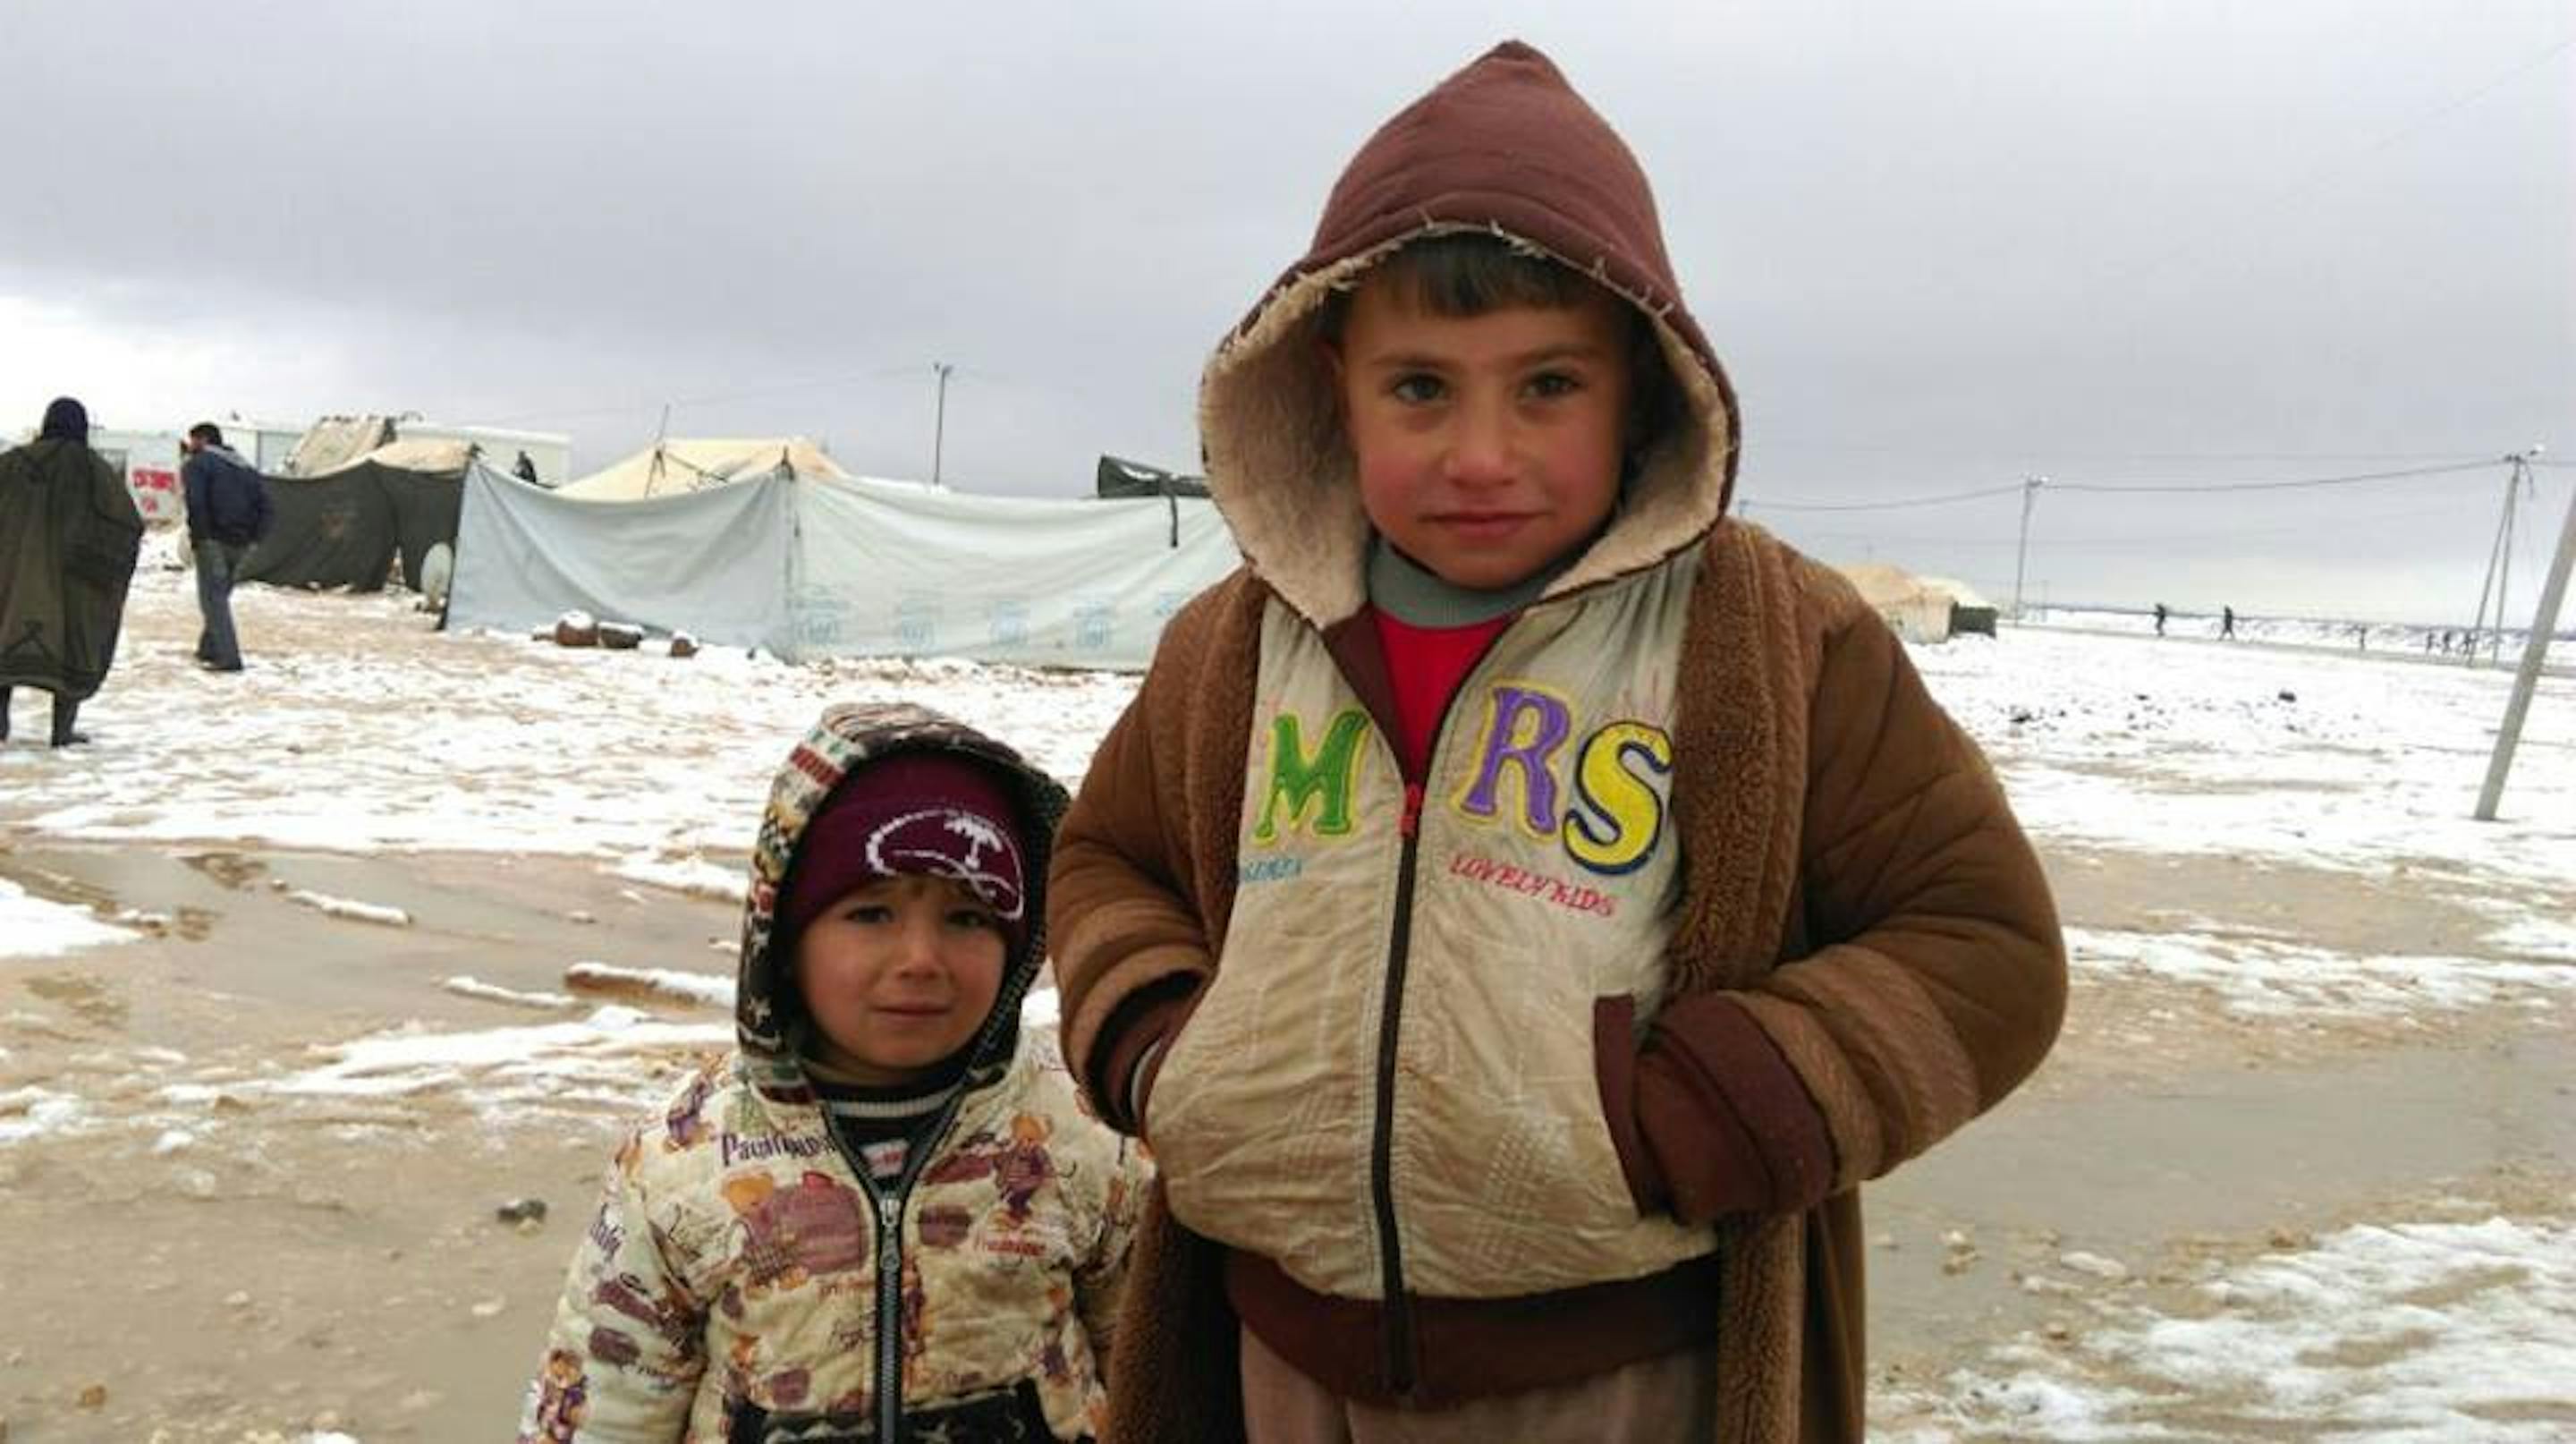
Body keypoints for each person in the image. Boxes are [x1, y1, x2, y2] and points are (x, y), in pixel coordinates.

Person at [1048, 41, 2067, 1443]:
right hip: (1270, 1351)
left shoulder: (1766, 639)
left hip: (1615, 1373)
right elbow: (1108, 857)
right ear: (1329, 383)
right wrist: (1171, 1054)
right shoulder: (1237, 645)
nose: (1480, 452)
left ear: (1641, 386)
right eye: (1421, 388)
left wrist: (1701, 1115)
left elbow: (1984, 946)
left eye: (1545, 387)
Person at [521, 702, 1149, 1443]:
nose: (921, 958)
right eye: (871, 914)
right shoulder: (683, 1159)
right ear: (782, 936)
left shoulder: (1080, 1134)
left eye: (969, 917)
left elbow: (1150, 1360)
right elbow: (609, 1400)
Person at [0, 397, 144, 747]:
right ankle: (61, 732)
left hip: (9, 573)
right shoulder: (94, 470)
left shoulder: (10, 464)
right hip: (72, 580)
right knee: (74, 643)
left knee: (3, 640)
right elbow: (126, 522)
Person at [180, 421, 270, 672]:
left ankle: (229, 658)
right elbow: (267, 506)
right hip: (242, 543)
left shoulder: (198, 465)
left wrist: (201, 538)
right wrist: (256, 539)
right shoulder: (246, 467)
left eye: (193, 440)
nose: (190, 446)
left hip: (213, 541)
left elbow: (195, 502)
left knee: (213, 599)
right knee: (219, 595)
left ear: (204, 440)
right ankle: (207, 648)